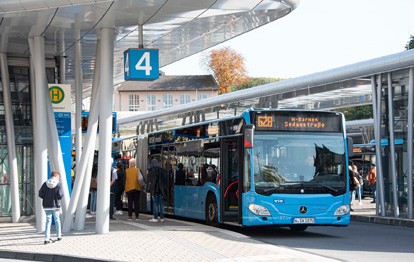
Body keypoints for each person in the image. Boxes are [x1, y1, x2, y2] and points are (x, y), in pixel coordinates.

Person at [38, 171, 64, 244]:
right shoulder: (59, 184)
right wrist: (57, 198)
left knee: (48, 221)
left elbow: (40, 193)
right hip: (55, 205)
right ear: (57, 176)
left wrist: (46, 198)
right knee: (57, 220)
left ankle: (46, 238)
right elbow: (60, 194)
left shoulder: (45, 183)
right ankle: (58, 236)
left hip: (46, 205)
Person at [148, 158, 166, 223]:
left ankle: (155, 217)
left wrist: (150, 190)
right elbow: (164, 181)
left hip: (155, 190)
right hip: (161, 190)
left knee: (155, 204)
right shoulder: (162, 170)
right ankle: (162, 218)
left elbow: (152, 181)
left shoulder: (152, 170)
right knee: (161, 204)